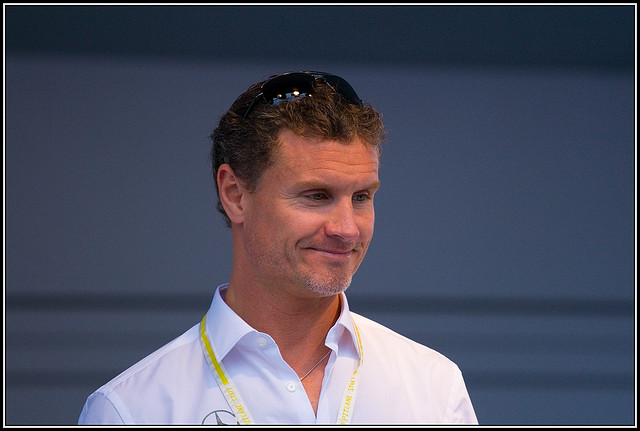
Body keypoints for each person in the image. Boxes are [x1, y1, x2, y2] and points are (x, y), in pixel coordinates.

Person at [78, 71, 478, 425]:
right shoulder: (129, 411)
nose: (346, 230)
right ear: (235, 194)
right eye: (316, 195)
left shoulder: (434, 389)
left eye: (361, 197)